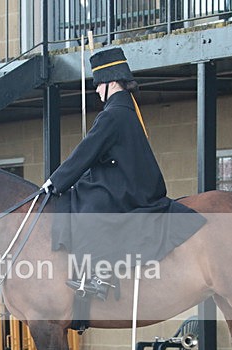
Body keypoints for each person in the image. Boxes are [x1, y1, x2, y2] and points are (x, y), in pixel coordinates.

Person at [45, 47, 205, 300]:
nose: (96, 91)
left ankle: (100, 276)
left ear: (110, 83)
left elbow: (86, 151)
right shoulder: (125, 110)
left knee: (90, 208)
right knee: (87, 194)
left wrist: (55, 182)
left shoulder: (113, 115)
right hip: (129, 178)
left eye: (98, 85)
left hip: (130, 185)